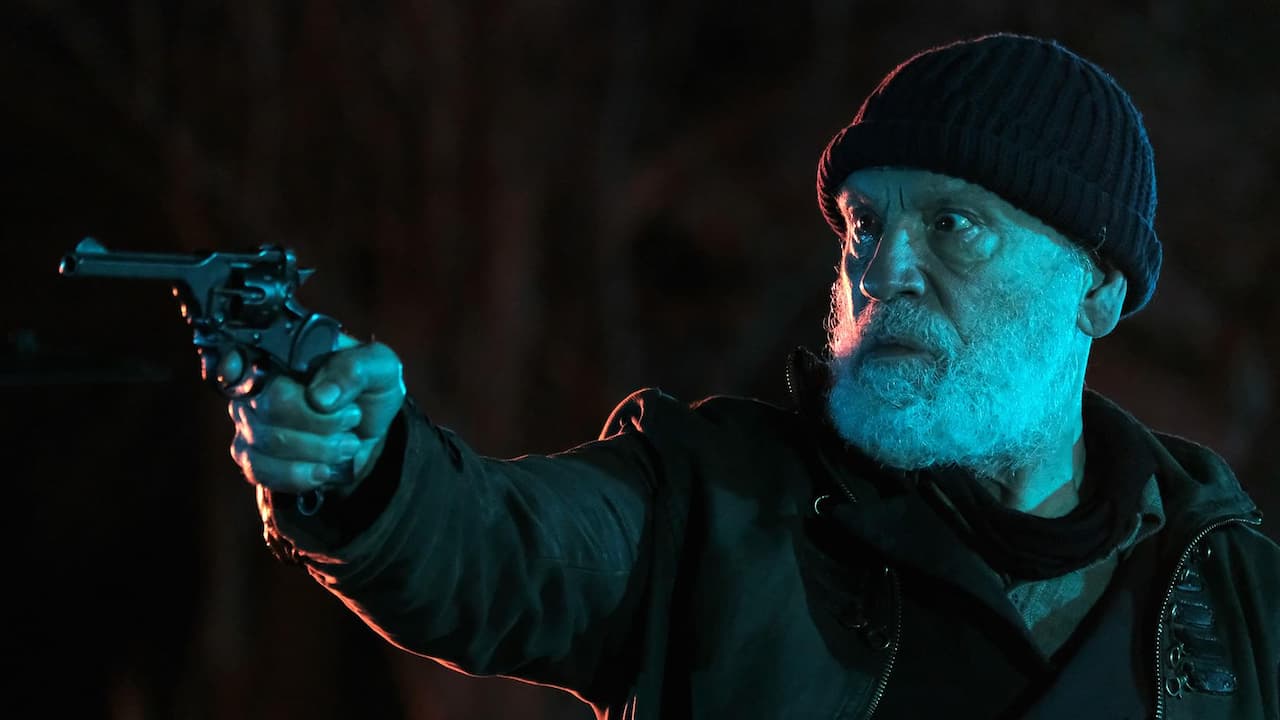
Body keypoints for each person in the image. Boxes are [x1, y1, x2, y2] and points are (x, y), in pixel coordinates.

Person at [224, 33, 1279, 719]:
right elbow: (496, 550)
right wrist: (364, 470)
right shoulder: (717, 504)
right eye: (865, 225)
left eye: (953, 225)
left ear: (1095, 292)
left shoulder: (1236, 600)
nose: (883, 270)